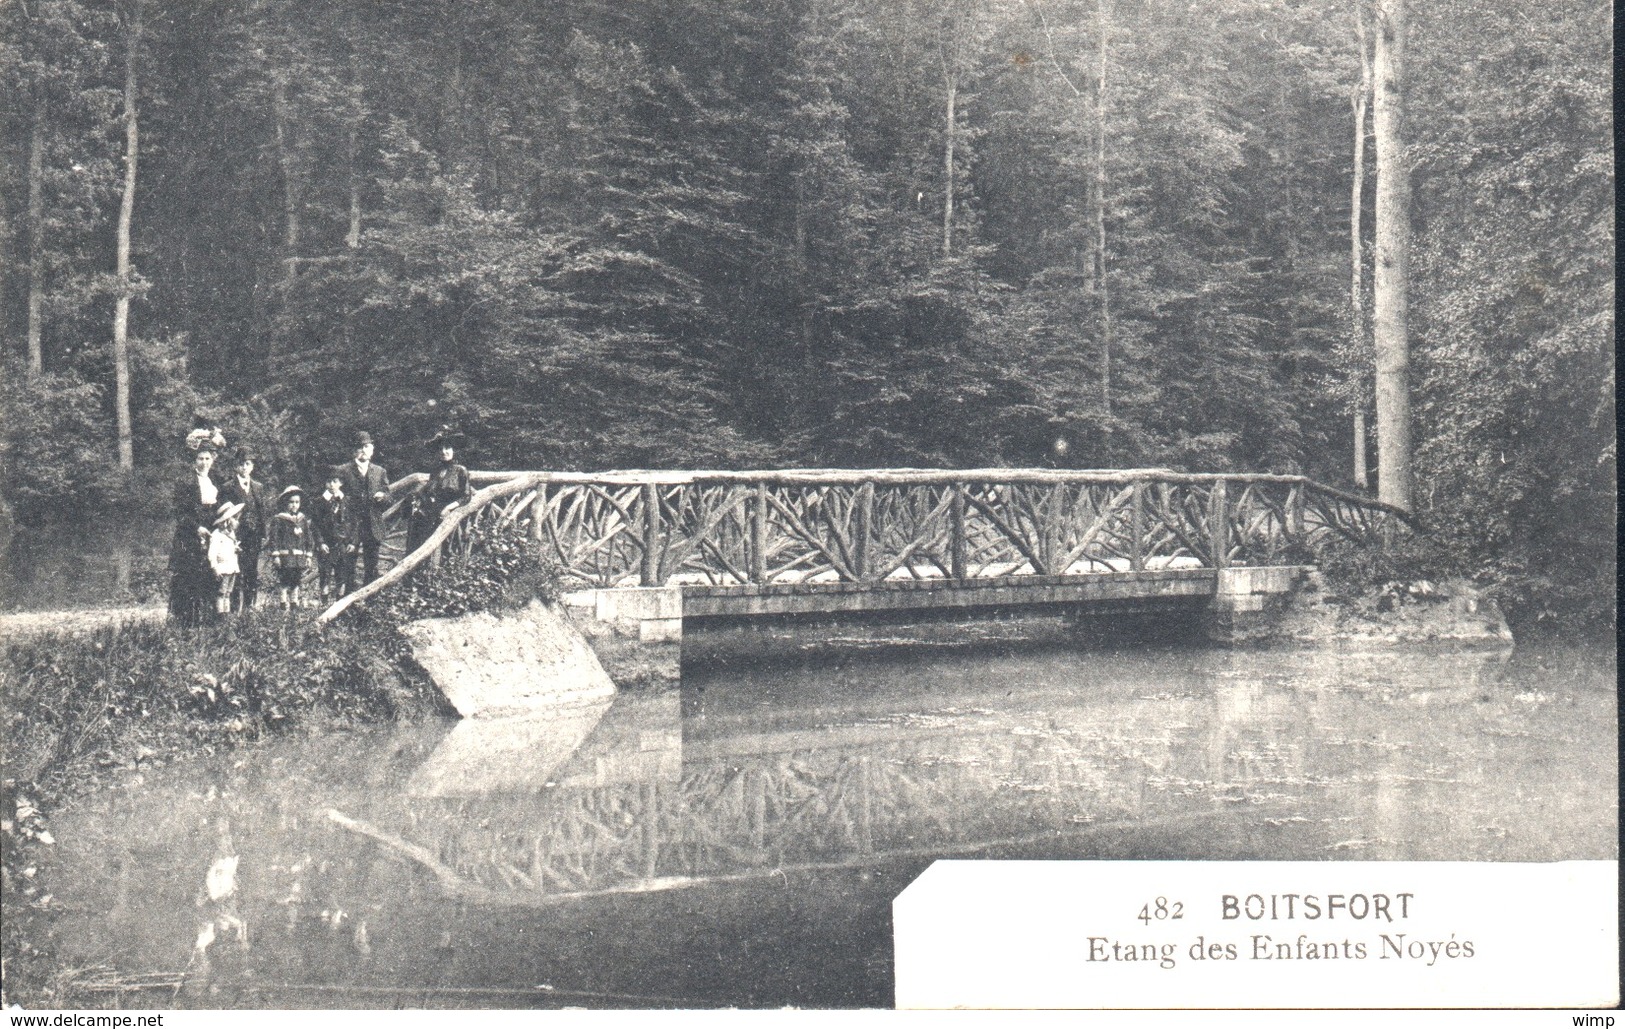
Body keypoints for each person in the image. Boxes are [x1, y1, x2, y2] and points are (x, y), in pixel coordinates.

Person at [168, 425, 227, 626]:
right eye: (200, 459)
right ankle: (186, 621)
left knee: (211, 575)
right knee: (188, 579)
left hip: (211, 533)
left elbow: (219, 507)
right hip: (190, 535)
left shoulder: (216, 480)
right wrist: (196, 528)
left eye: (207, 459)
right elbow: (180, 512)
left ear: (213, 460)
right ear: (195, 460)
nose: (204, 463)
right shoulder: (185, 482)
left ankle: (208, 620)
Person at [218, 448, 271, 612]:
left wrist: (264, 534)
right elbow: (224, 513)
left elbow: (262, 511)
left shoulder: (258, 487)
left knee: (251, 572)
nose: (244, 467)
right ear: (236, 466)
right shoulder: (228, 487)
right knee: (235, 571)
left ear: (252, 466)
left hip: (253, 537)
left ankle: (250, 607)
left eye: (247, 464)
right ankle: (233, 609)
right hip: (235, 537)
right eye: (241, 464)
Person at [406, 427, 473, 556]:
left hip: (449, 514)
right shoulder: (436, 470)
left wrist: (449, 507)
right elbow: (428, 490)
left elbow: (466, 495)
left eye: (447, 448)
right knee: (415, 528)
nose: (444, 452)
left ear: (453, 450)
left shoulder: (460, 470)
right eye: (441, 449)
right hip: (432, 511)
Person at [338, 431, 391, 587]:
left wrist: (383, 496)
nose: (363, 450)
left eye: (366, 446)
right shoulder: (343, 470)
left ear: (372, 449)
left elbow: (389, 496)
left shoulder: (380, 471)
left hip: (372, 524)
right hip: (351, 524)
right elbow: (336, 495)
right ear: (353, 451)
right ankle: (347, 598)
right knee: (348, 563)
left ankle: (369, 598)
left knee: (371, 564)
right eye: (359, 447)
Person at [266, 485, 314, 609]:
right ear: (285, 503)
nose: (294, 505)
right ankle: (283, 603)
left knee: (296, 580)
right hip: (285, 557)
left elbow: (308, 537)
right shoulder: (279, 519)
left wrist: (308, 555)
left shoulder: (302, 519)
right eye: (291, 502)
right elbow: (274, 538)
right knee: (284, 580)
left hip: (298, 557)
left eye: (297, 502)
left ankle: (294, 603)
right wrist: (276, 555)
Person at [312, 467, 354, 599]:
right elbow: (315, 524)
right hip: (326, 544)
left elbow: (354, 523)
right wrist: (320, 542)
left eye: (335, 481)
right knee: (325, 573)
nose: (332, 485)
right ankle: (324, 603)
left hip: (343, 543)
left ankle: (339, 602)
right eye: (329, 482)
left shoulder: (347, 501)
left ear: (340, 483)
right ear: (325, 483)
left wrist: (353, 541)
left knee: (341, 574)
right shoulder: (319, 501)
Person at [207, 501, 245, 618]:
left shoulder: (231, 534)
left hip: (232, 567)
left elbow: (230, 547)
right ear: (226, 521)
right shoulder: (217, 535)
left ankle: (226, 614)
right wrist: (215, 567)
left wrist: (236, 549)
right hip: (223, 568)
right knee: (221, 592)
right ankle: (220, 614)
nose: (237, 522)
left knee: (228, 592)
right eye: (235, 519)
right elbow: (212, 553)